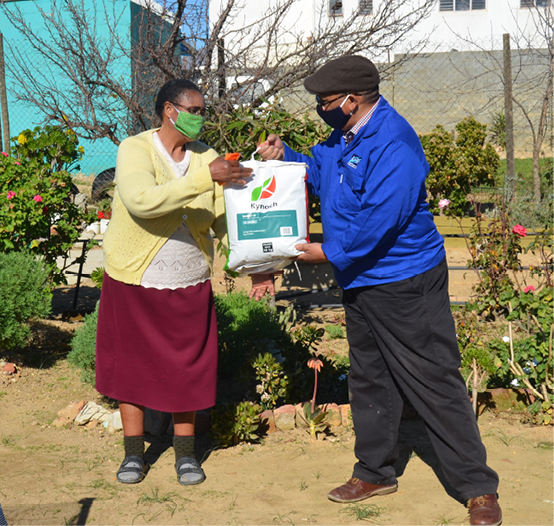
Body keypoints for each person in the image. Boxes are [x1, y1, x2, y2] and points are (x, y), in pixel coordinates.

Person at [258, 56, 502, 526]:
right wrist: (287, 157)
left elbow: (380, 222)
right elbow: (322, 169)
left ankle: (477, 486)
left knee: (433, 379)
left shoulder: (394, 143)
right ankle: (375, 471)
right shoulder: (344, 135)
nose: (320, 108)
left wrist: (325, 253)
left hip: (404, 278)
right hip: (361, 279)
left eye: (325, 102)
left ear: (353, 99)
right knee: (370, 377)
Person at [95, 78, 272, 486]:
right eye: (193, 110)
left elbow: (223, 217)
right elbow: (141, 200)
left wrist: (254, 265)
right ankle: (134, 456)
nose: (200, 118)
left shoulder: (204, 155)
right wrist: (204, 178)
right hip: (134, 280)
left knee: (186, 371)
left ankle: (186, 456)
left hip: (189, 281)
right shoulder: (134, 149)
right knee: (131, 371)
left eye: (202, 110)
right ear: (169, 111)